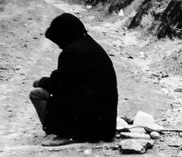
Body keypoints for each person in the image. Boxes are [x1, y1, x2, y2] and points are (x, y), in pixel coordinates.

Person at [29, 13, 118, 146]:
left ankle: (64, 134)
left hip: (90, 123)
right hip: (105, 124)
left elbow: (59, 85)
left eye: (58, 40)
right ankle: (70, 131)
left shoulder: (71, 52)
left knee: (36, 94)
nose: (59, 45)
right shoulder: (88, 43)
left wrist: (41, 81)